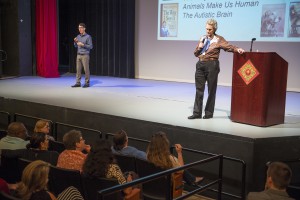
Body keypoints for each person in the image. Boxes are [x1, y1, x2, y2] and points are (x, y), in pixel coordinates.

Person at [188, 19, 245, 120]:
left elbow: (228, 47)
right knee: (199, 90)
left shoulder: (219, 39)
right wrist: (199, 47)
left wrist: (237, 49)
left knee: (211, 90)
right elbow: (195, 53)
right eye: (206, 29)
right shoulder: (203, 38)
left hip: (212, 64)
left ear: (214, 29)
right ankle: (197, 113)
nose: (207, 31)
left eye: (210, 29)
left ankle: (208, 113)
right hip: (200, 64)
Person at [15, 160, 84, 200]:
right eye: (46, 176)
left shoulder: (19, 189)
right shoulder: (43, 196)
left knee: (72, 190)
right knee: (74, 193)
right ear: (40, 180)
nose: (48, 179)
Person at [72, 23, 93, 88]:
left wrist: (83, 45)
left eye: (81, 27)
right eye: (78, 28)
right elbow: (75, 46)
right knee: (78, 70)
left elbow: (91, 46)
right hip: (78, 55)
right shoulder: (78, 36)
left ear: (84, 28)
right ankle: (78, 83)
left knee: (86, 69)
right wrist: (75, 42)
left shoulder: (88, 36)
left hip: (85, 55)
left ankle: (87, 83)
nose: (79, 29)